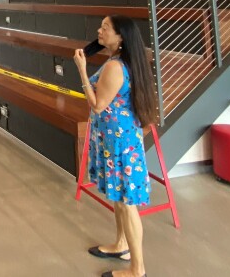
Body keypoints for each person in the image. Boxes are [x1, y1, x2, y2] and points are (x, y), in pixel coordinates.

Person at [73, 15, 158, 277]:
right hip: (118, 139)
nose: (99, 30)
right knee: (120, 200)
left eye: (106, 28)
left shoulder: (115, 67)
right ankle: (121, 245)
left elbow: (97, 104)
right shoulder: (121, 62)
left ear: (120, 37)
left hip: (119, 143)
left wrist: (82, 70)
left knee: (126, 202)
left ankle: (137, 269)